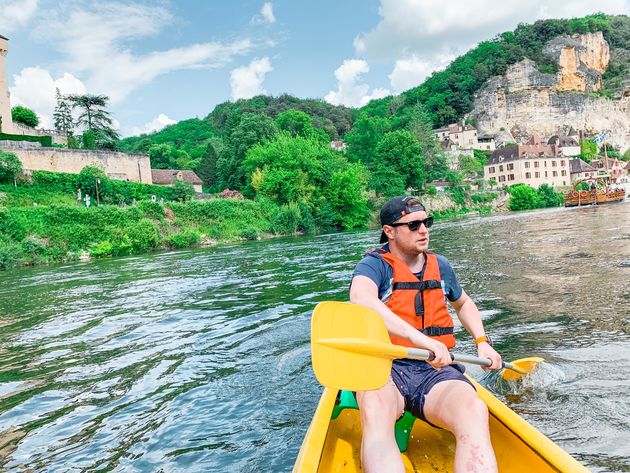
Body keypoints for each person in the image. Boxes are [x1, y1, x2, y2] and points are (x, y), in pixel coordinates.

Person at [349, 195, 502, 473]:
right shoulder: (374, 266)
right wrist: (419, 339)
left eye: (426, 222)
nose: (423, 230)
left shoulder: (440, 266)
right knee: (374, 409)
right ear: (389, 232)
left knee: (474, 411)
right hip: (386, 366)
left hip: (434, 370)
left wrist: (483, 342)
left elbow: (463, 303)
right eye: (413, 225)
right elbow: (360, 298)